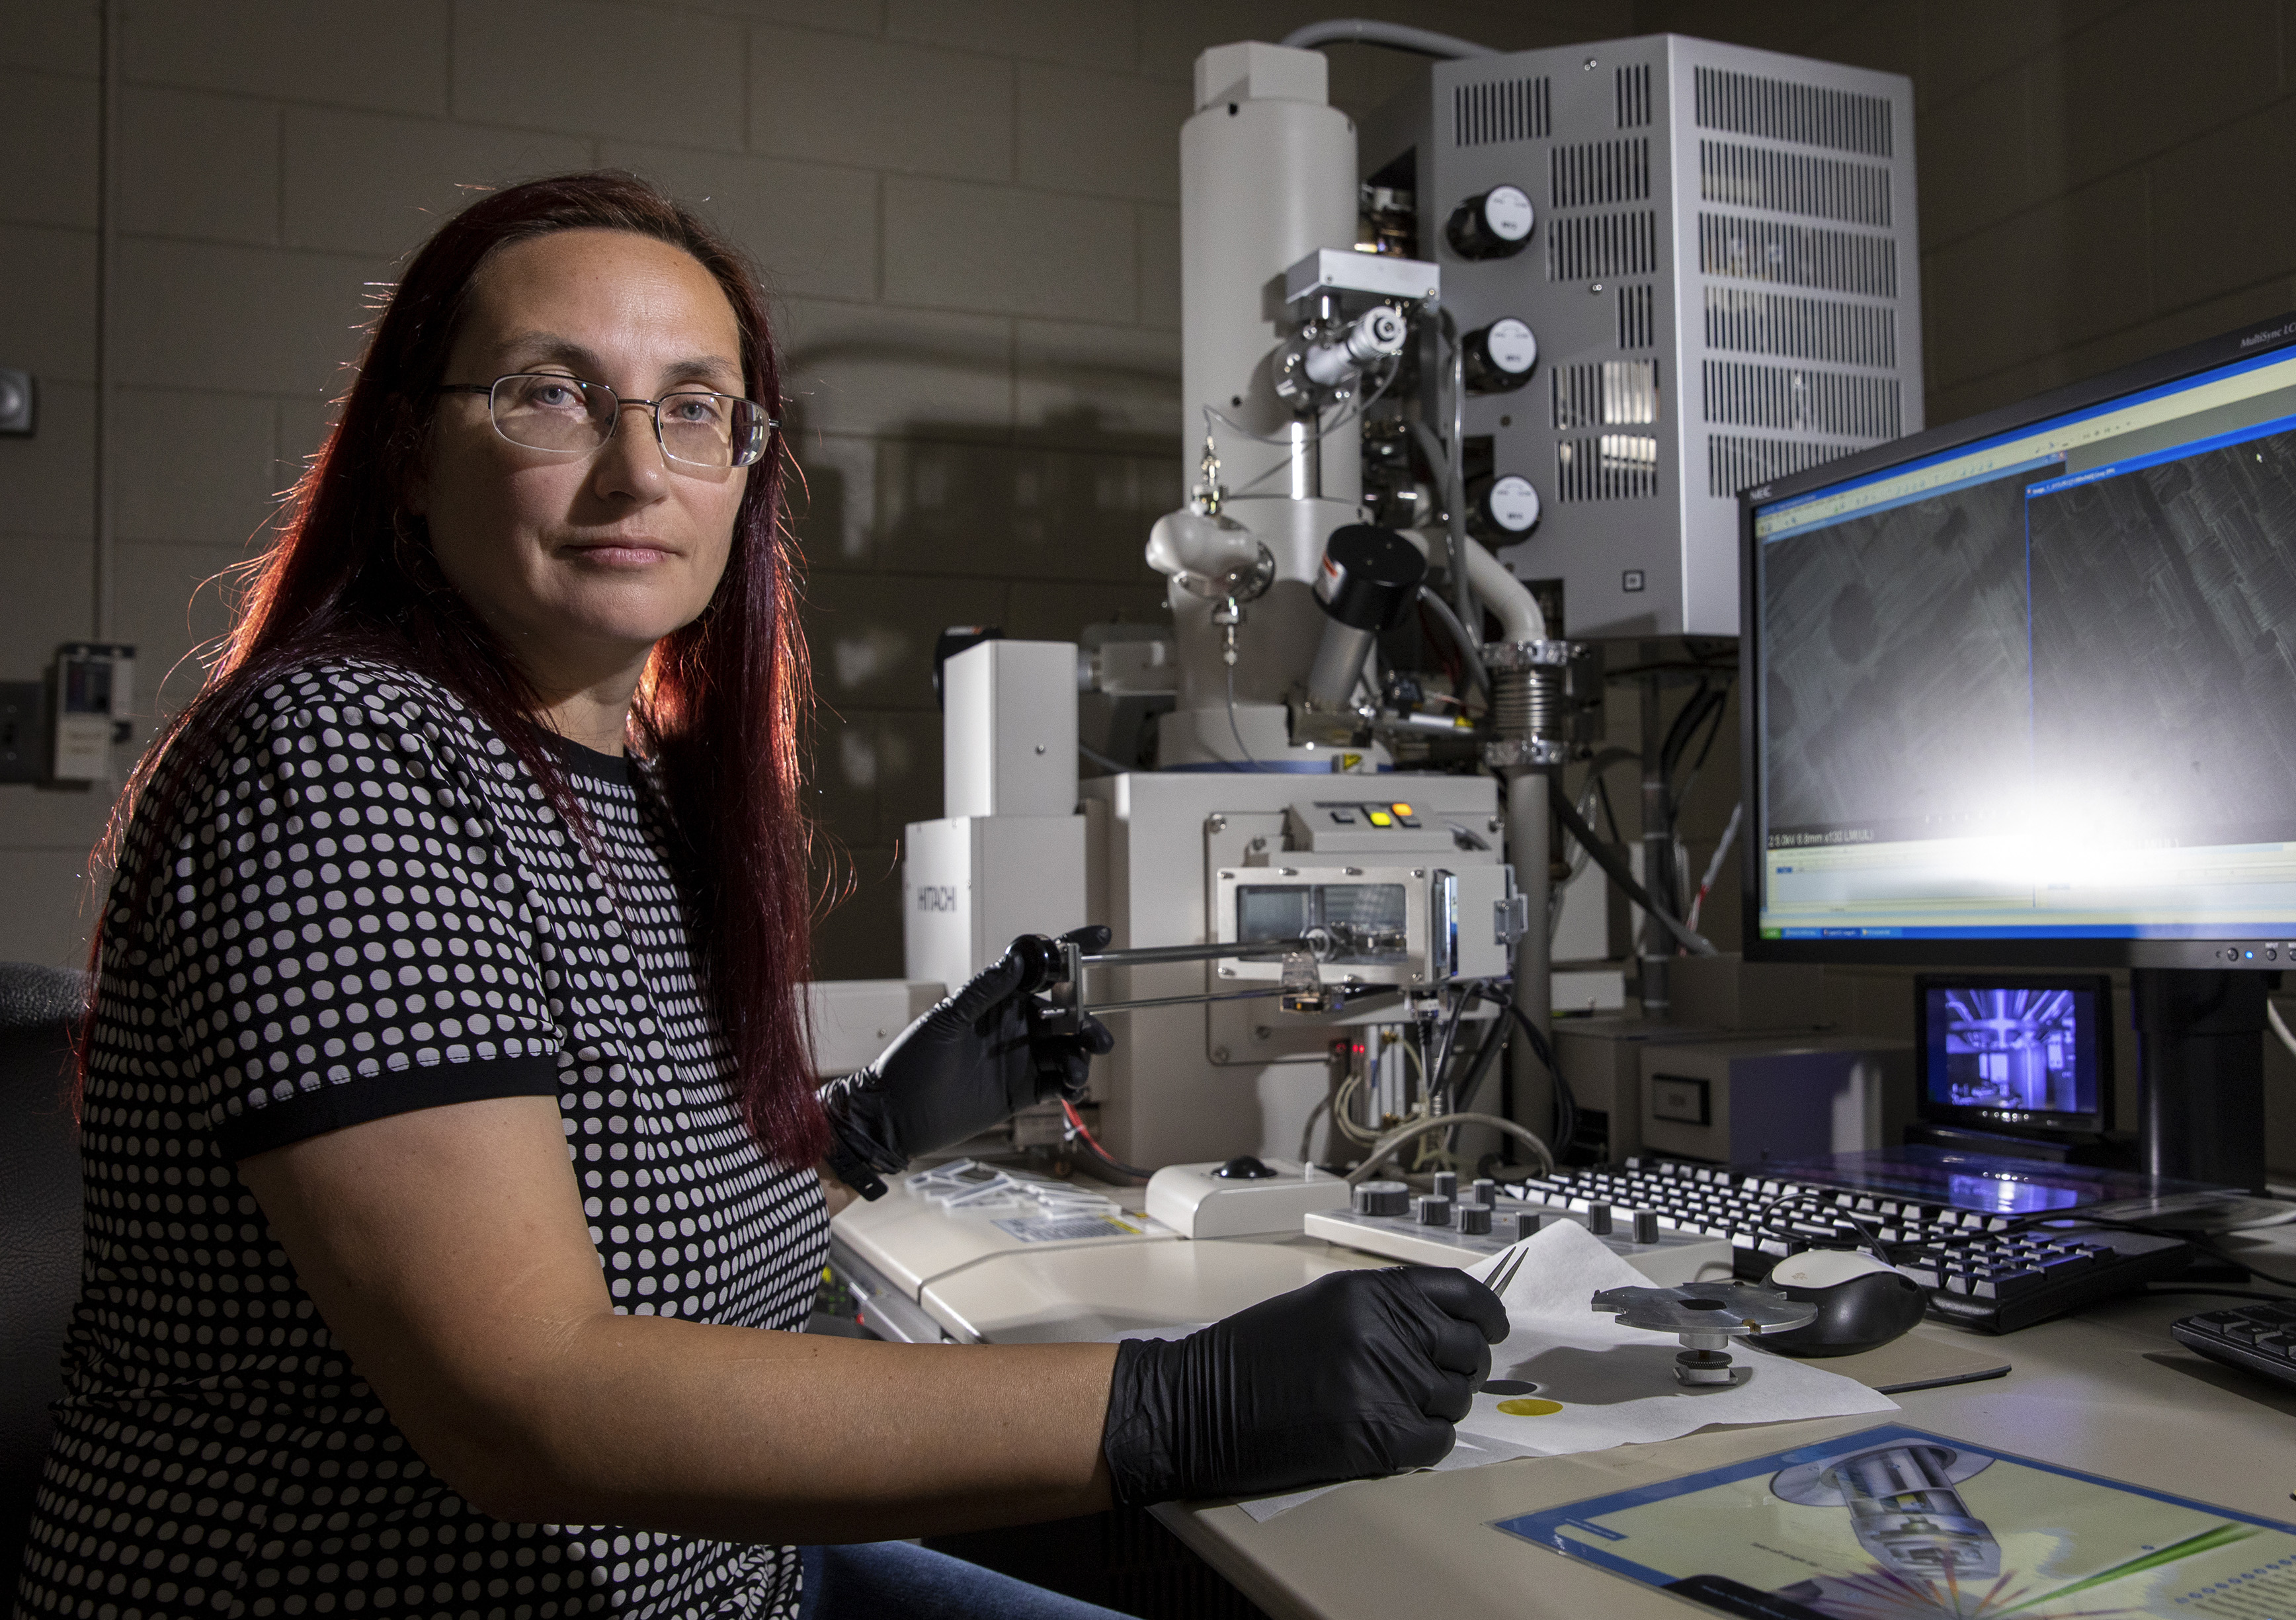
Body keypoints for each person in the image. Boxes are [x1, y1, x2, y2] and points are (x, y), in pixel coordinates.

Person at [9, 172, 1507, 1620]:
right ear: (410, 451)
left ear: (745, 462)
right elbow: (530, 1403)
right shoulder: (343, 754)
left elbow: (649, 1238)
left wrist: (863, 1130)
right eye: (550, 393)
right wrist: (1179, 1405)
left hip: (721, 1579)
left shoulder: (638, 790)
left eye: (691, 411)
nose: (635, 470)